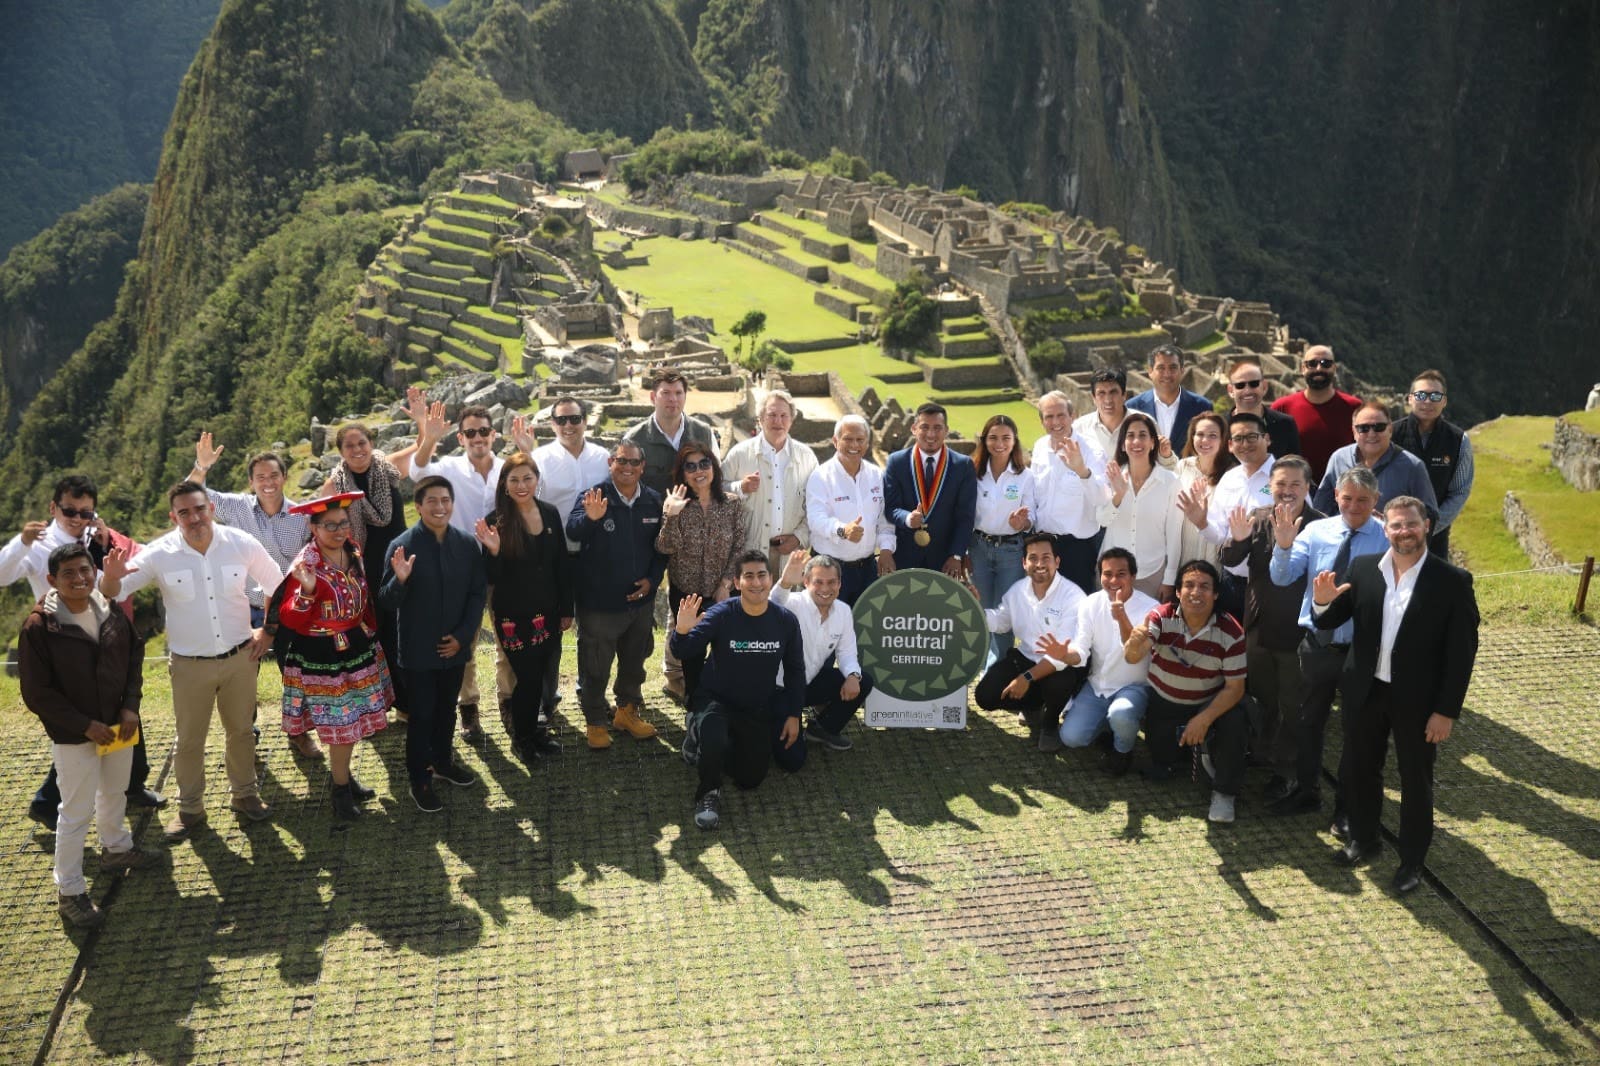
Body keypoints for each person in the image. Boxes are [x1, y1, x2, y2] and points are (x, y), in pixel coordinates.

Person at [1310, 496, 1479, 893]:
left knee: (1414, 781)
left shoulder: (1453, 581)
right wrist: (1321, 600)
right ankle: (1364, 840)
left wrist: (1446, 711)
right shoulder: (1364, 568)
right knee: (1359, 769)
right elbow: (1332, 618)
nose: (1404, 532)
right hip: (1365, 691)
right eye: (1396, 525)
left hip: (1419, 702)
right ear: (1384, 528)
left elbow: (1462, 654)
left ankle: (1412, 863)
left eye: (1411, 524)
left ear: (1427, 526)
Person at [100, 481, 286, 839]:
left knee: (242, 732)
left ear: (211, 509)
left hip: (239, 658)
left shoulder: (240, 543)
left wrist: (269, 631)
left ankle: (245, 794)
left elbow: (276, 585)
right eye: (184, 512)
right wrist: (109, 578)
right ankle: (190, 809)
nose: (194, 517)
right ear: (174, 517)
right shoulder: (159, 553)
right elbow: (116, 591)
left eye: (199, 509)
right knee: (188, 740)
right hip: (189, 665)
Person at [3, 475, 161, 828]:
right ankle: (48, 802)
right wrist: (22, 543)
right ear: (53, 508)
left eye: (85, 512)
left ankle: (133, 782)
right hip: (66, 646)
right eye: (69, 510)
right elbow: (2, 574)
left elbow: (110, 588)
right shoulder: (39, 545)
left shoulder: (94, 537)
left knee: (123, 710)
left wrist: (103, 547)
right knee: (81, 730)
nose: (76, 518)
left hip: (104, 637)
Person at [19, 544, 145, 928]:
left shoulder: (107, 610)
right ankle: (70, 891)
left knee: (114, 791)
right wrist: (81, 724)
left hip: (117, 725)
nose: (80, 579)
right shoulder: (40, 626)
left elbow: (134, 657)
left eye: (85, 570)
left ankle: (116, 849)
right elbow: (37, 693)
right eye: (69, 573)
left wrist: (130, 707)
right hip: (74, 736)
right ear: (52, 580)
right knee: (74, 812)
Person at [189, 433, 323, 759]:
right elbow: (190, 497)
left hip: (289, 607)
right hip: (245, 605)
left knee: (296, 674)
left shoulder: (303, 514)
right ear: (250, 481)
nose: (268, 482)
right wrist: (201, 467)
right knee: (241, 679)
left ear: (285, 478)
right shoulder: (237, 508)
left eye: (274, 475)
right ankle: (246, 736)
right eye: (260, 477)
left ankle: (300, 734)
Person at [1267, 466, 1387, 822]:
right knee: (1307, 723)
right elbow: (1282, 576)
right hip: (1316, 646)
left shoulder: (1385, 538)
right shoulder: (1316, 531)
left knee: (1356, 731)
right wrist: (1284, 545)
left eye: (1363, 500)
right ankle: (1307, 791)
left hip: (1360, 651)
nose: (1353, 506)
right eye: (1347, 498)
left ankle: (1347, 809)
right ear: (1335, 497)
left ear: (1375, 501)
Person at [276, 494, 393, 820]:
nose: (339, 530)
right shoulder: (306, 564)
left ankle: (344, 778)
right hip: (322, 655)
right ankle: (340, 791)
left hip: (355, 646)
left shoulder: (351, 550)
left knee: (352, 722)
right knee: (342, 723)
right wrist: (308, 592)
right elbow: (289, 618)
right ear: (313, 527)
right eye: (330, 525)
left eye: (343, 523)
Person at [671, 551, 806, 831]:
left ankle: (710, 746)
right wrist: (681, 631)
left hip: (756, 706)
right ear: (736, 581)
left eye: (761, 575)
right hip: (716, 700)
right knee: (715, 736)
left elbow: (795, 671)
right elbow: (685, 650)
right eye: (748, 576)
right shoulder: (722, 614)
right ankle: (708, 792)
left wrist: (794, 714)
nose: (756, 582)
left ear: (771, 580)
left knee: (750, 780)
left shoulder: (785, 621)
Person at [1218, 456, 1324, 801]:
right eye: (1280, 485)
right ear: (1270, 487)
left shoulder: (1321, 526)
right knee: (1262, 698)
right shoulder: (1259, 519)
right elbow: (1231, 560)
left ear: (1308, 488)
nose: (1287, 491)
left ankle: (1286, 771)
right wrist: (1235, 540)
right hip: (1258, 629)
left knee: (1292, 704)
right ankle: (1260, 754)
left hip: (1298, 634)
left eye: (1295, 485)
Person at [377, 476, 486, 813]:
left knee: (447, 710)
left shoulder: (467, 544)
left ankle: (443, 762)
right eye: (432, 501)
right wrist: (401, 579)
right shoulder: (402, 545)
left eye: (445, 500)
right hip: (418, 651)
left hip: (455, 648)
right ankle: (419, 778)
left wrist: (464, 636)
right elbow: (385, 600)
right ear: (418, 506)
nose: (440, 507)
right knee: (422, 715)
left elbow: (476, 595)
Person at [1122, 560, 1248, 824]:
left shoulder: (1231, 631)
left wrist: (1203, 719)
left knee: (1236, 720)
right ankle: (1185, 753)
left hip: (1208, 704)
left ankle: (1225, 792)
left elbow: (1235, 688)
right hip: (1164, 704)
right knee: (1162, 764)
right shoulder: (1161, 616)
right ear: (1177, 592)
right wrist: (1133, 643)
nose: (1196, 592)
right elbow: (1134, 656)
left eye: (1204, 586)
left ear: (1216, 594)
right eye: (1188, 585)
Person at [410, 402, 505, 742]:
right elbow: (417, 474)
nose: (478, 437)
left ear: (493, 434)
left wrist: (528, 451)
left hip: (501, 563)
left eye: (483, 431)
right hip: (461, 567)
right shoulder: (448, 467)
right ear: (461, 438)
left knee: (507, 636)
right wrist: (429, 438)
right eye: (470, 432)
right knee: (461, 639)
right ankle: (469, 707)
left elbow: (533, 490)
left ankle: (508, 701)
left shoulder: (506, 469)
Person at [566, 441, 667, 750]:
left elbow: (661, 549)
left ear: (642, 467)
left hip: (640, 604)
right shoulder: (594, 496)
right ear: (611, 462)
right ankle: (596, 720)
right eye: (621, 461)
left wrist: (652, 581)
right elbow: (572, 531)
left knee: (635, 662)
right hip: (600, 605)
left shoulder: (653, 500)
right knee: (595, 665)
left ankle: (626, 712)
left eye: (634, 463)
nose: (627, 467)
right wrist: (591, 518)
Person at [474, 454, 572, 767]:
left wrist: (566, 608)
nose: (521, 485)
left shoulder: (550, 513)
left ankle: (534, 732)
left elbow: (561, 565)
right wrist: (494, 551)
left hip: (548, 611)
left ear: (537, 480)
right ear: (504, 484)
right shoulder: (496, 521)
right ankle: (522, 738)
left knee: (541, 675)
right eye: (514, 480)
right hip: (513, 615)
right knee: (527, 679)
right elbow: (491, 576)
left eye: (527, 478)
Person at [323, 422, 411, 724]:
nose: (357, 450)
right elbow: (316, 519)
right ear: (341, 452)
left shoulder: (388, 468)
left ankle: (411, 701)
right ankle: (385, 704)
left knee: (407, 631)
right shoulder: (336, 484)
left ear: (371, 442)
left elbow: (422, 451)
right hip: (365, 569)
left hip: (401, 562)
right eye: (350, 446)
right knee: (379, 637)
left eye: (362, 442)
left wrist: (427, 431)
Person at [1048, 548, 1158, 774]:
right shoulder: (1090, 603)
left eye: (1121, 574)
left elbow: (1133, 652)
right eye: (1107, 574)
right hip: (1097, 685)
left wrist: (1121, 618)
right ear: (1099, 576)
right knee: (1071, 738)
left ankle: (1123, 751)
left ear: (1133, 576)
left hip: (1134, 686)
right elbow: (1081, 648)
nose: (1113, 580)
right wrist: (1065, 655)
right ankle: (1111, 726)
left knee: (1121, 714)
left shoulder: (1151, 609)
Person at [973, 533, 1085, 752]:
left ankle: (1050, 724)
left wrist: (1025, 678)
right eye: (1033, 558)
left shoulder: (1074, 597)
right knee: (984, 696)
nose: (1040, 564)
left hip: (1059, 665)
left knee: (1059, 682)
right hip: (1024, 659)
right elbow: (1000, 621)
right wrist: (974, 608)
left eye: (1046, 557)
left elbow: (1060, 657)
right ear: (1024, 563)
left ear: (1057, 562)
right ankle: (1032, 705)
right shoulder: (1017, 591)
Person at [655, 442, 746, 702]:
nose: (699, 471)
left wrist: (725, 584)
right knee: (691, 656)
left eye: (704, 464)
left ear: (714, 468)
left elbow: (739, 545)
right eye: (690, 466)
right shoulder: (676, 505)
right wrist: (671, 515)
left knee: (724, 653)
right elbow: (664, 547)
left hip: (721, 593)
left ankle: (719, 702)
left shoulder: (731, 504)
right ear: (683, 474)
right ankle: (695, 705)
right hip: (686, 595)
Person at [773, 550, 871, 751]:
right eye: (818, 582)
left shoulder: (843, 610)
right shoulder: (792, 603)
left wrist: (853, 675)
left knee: (864, 680)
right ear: (806, 582)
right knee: (792, 759)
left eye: (831, 582)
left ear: (839, 584)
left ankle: (822, 729)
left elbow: (846, 653)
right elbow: (769, 607)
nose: (825, 588)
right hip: (779, 690)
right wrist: (784, 583)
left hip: (809, 683)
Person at [1194, 411, 1277, 622]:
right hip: (1231, 582)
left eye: (1252, 437)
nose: (1245, 444)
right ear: (1230, 445)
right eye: (1238, 439)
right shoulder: (1230, 479)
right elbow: (1221, 536)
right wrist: (1202, 522)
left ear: (1266, 439)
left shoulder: (1285, 476)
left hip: (1271, 584)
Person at [804, 414, 896, 605]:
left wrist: (886, 550)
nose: (854, 445)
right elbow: (816, 519)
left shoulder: (877, 475)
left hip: (867, 570)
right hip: (828, 570)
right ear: (835, 441)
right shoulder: (820, 476)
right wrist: (843, 530)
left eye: (860, 440)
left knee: (864, 629)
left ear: (867, 444)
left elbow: (884, 520)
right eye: (848, 439)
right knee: (828, 628)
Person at [721, 390, 817, 568]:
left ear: (792, 420)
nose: (778, 421)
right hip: (749, 556)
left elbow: (818, 505)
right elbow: (715, 491)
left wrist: (799, 538)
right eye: (771, 415)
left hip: (790, 557)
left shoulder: (807, 458)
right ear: (760, 418)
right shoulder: (739, 454)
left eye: (783, 415)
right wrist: (740, 487)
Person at [969, 414, 1036, 667]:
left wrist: (1024, 523)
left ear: (1014, 441)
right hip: (979, 548)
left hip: (1011, 549)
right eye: (993, 437)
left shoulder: (1024, 476)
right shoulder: (973, 472)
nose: (999, 443)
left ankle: (1000, 667)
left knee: (1005, 610)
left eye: (1005, 438)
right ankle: (979, 661)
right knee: (982, 606)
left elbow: (1032, 514)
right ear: (984, 440)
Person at [1095, 411, 1183, 601]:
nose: (1136, 442)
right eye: (1130, 436)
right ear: (1123, 445)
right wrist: (1118, 495)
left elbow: (1174, 534)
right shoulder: (1110, 477)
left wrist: (1169, 579)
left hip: (1152, 573)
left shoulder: (1170, 482)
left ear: (1153, 443)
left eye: (1143, 435)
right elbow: (1102, 520)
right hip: (1111, 573)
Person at [883, 403, 977, 579]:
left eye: (937, 428)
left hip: (945, 560)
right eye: (924, 427)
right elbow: (890, 508)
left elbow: (965, 516)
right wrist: (908, 518)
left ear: (947, 430)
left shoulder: (963, 465)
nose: (931, 434)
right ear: (914, 428)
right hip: (904, 557)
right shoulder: (896, 462)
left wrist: (956, 555)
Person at [1030, 391, 1109, 594]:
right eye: (1049, 416)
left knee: (1078, 611)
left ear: (1072, 416)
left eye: (1061, 415)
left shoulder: (1091, 450)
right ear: (1041, 421)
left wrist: (1082, 470)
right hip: (1043, 545)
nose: (1055, 422)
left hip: (1078, 548)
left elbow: (1102, 498)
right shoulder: (1039, 447)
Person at [1389, 370, 1474, 558]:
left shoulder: (1459, 440)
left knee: (1433, 586)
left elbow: (1459, 491)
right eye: (1421, 395)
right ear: (1409, 399)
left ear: (1444, 401)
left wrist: (1429, 526)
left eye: (1435, 396)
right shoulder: (1390, 435)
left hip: (1435, 538)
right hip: (1388, 535)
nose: (1427, 401)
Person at [1314, 401, 1438, 524]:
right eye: (1364, 428)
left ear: (1390, 429)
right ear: (1354, 432)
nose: (1372, 434)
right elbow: (1321, 507)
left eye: (1379, 427)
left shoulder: (1412, 466)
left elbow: (1429, 515)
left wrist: (1390, 524)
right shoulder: (1339, 459)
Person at [1270, 344, 1362, 482]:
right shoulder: (1281, 408)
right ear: (1303, 368)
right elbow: (1268, 458)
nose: (1319, 368)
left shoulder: (1354, 408)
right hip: (1294, 495)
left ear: (1334, 368)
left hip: (1341, 496)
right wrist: (1266, 493)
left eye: (1326, 364)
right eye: (1312, 364)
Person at [623, 368, 719, 495]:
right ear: (653, 397)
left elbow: (717, 479)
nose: (673, 399)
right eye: (666, 393)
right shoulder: (634, 439)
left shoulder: (704, 433)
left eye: (678, 393)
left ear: (685, 396)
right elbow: (624, 485)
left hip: (696, 513)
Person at [1172, 411, 1236, 576]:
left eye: (1212, 435)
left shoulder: (1234, 474)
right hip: (1182, 554)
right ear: (1192, 437)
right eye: (1199, 434)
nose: (1205, 440)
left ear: (1223, 440)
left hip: (1216, 558)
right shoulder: (1182, 467)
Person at [1125, 343, 1213, 463]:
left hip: (1187, 479)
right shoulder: (1132, 407)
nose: (1167, 374)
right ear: (1150, 372)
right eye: (1161, 368)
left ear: (1182, 370)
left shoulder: (1202, 407)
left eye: (1173, 368)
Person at [1225, 357, 1301, 458]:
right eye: (1240, 385)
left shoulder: (1285, 424)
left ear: (1264, 387)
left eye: (1254, 384)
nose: (1247, 390)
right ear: (1230, 390)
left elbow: (1295, 467)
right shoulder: (1220, 427)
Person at [1073, 368, 1129, 462]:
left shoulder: (1145, 424)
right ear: (1093, 398)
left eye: (1113, 392)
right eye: (1101, 393)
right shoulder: (1079, 429)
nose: (1108, 400)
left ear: (1124, 395)